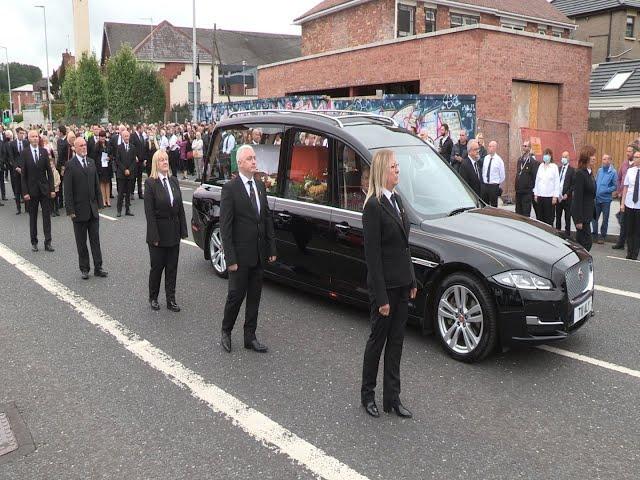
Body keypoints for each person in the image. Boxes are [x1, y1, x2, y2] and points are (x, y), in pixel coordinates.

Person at [360, 149, 417, 419]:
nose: (397, 170)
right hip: (384, 289)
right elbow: (372, 256)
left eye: (397, 166)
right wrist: (381, 298)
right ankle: (367, 395)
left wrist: (412, 279)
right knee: (377, 341)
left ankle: (392, 397)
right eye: (393, 166)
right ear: (383, 171)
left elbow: (404, 246)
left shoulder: (398, 201)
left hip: (401, 284)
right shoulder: (373, 206)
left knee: (397, 343)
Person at [219, 145, 277, 354]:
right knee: (235, 296)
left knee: (255, 298)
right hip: (240, 256)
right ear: (240, 163)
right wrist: (230, 257)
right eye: (250, 158)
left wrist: (271, 247)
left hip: (259, 254)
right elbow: (225, 227)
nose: (254, 161)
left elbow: (266, 218)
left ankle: (249, 336)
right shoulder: (230, 189)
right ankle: (226, 331)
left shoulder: (260, 186)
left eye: (255, 158)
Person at [144, 150, 188, 311]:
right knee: (157, 267)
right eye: (161, 160)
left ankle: (171, 299)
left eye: (166, 159)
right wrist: (154, 236)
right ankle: (153, 297)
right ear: (156, 163)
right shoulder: (150, 183)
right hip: (158, 233)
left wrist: (183, 230)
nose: (165, 162)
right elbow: (149, 213)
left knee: (172, 267)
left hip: (174, 231)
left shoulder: (174, 181)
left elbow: (180, 208)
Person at [64, 137, 108, 280]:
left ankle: (98, 266)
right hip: (78, 210)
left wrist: (100, 203)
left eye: (85, 145)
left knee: (95, 239)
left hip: (92, 209)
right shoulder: (70, 165)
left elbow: (96, 184)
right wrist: (70, 210)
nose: (84, 147)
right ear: (75, 148)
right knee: (81, 241)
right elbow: (68, 190)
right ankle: (84, 268)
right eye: (81, 146)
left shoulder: (91, 162)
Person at [21, 129, 56, 252]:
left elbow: (50, 173)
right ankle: (34, 242)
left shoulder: (44, 152)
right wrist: (25, 192)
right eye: (33, 136)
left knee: (46, 217)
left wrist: (52, 189)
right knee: (33, 217)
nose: (36, 138)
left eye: (37, 136)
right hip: (31, 191)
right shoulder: (25, 153)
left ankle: (48, 242)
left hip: (44, 190)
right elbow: (23, 175)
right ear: (29, 139)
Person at [571, 145, 597, 251]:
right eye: (592, 155)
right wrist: (578, 220)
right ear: (586, 157)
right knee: (586, 243)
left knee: (582, 243)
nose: (594, 157)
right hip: (581, 216)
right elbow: (577, 198)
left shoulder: (590, 174)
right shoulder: (580, 174)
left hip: (588, 214)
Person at [612, 145, 636, 250]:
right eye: (627, 151)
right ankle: (621, 242)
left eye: (630, 151)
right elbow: (619, 178)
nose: (627, 153)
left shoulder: (636, 167)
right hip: (623, 197)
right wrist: (619, 190)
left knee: (633, 222)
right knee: (623, 221)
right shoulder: (624, 164)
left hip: (634, 199)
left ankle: (633, 244)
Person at [591, 154, 618, 244]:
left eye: (606, 159)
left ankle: (602, 236)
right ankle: (594, 235)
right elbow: (596, 180)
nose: (604, 161)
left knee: (605, 219)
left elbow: (615, 186)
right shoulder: (600, 170)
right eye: (603, 159)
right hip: (597, 199)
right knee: (594, 218)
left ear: (610, 161)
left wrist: (605, 190)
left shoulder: (613, 172)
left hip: (606, 200)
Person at [620, 154, 640, 260]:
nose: (635, 159)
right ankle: (629, 251)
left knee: (637, 230)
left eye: (637, 157)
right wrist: (622, 203)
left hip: (639, 206)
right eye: (635, 157)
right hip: (629, 204)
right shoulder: (630, 171)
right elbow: (625, 188)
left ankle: (635, 253)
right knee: (629, 229)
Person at [533, 148, 560, 226]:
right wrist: (536, 194)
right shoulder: (541, 166)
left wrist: (555, 196)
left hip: (549, 197)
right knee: (540, 217)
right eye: (545, 155)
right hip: (540, 195)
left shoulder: (554, 167)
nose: (546, 157)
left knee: (549, 218)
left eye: (548, 155)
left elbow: (556, 182)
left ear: (551, 156)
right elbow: (537, 180)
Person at [115, 130, 136, 217]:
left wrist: (129, 170)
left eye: (128, 136)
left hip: (130, 174)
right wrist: (124, 170)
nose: (127, 138)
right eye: (125, 136)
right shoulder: (119, 147)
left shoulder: (133, 147)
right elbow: (118, 160)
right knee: (120, 193)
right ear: (122, 137)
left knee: (128, 193)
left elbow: (134, 160)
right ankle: (119, 210)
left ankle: (127, 210)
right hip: (121, 174)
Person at [515, 140, 538, 217]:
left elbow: (534, 177)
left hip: (527, 192)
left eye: (525, 146)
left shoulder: (532, 161)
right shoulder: (520, 160)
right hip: (518, 191)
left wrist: (532, 190)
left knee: (525, 213)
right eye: (523, 146)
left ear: (529, 148)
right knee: (518, 212)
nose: (524, 147)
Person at [555, 151, 575, 238]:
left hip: (567, 198)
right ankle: (558, 233)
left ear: (568, 158)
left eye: (565, 157)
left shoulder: (572, 170)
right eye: (562, 156)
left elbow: (573, 184)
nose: (564, 158)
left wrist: (567, 193)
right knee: (558, 216)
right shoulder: (558, 169)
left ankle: (567, 235)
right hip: (559, 197)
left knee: (567, 217)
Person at [7, 130, 27, 214]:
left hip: (25, 169)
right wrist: (16, 167)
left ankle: (27, 208)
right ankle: (18, 208)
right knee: (17, 189)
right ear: (17, 134)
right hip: (16, 170)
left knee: (25, 188)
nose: (22, 135)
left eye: (23, 133)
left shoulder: (26, 142)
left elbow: (28, 155)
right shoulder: (12, 144)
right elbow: (11, 157)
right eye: (21, 133)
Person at [481, 140, 505, 207]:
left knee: (493, 206)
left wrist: (496, 183)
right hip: (485, 185)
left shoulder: (499, 160)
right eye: (489, 146)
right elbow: (484, 171)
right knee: (484, 205)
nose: (489, 148)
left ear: (495, 148)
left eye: (491, 146)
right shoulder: (486, 158)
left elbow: (502, 176)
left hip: (493, 186)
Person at [93, 131, 112, 208]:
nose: (103, 138)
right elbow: (95, 156)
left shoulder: (108, 144)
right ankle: (103, 200)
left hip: (107, 166)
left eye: (104, 136)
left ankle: (108, 200)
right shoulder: (97, 145)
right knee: (101, 183)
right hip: (100, 166)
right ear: (99, 137)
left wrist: (109, 158)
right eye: (101, 136)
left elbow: (112, 153)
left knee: (107, 183)